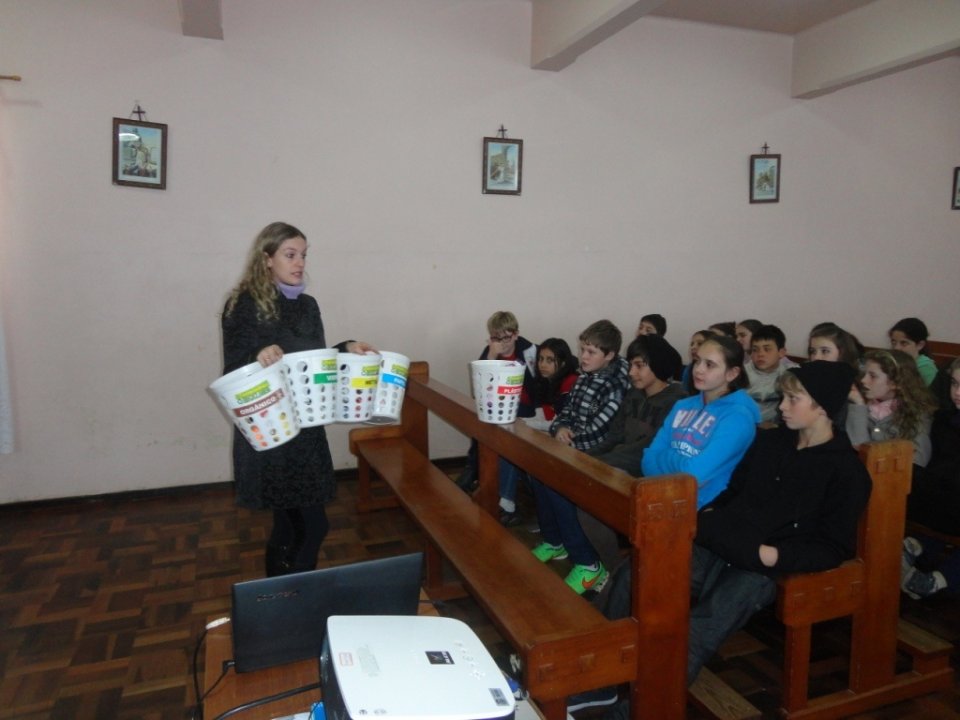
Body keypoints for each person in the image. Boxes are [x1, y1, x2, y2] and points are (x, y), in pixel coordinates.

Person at [586, 362, 872, 716]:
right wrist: (709, 518)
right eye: (783, 397)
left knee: (700, 627)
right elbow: (733, 491)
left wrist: (772, 555)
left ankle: (640, 711)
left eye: (793, 399)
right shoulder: (771, 442)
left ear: (823, 407)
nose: (782, 406)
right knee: (636, 573)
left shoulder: (846, 472)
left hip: (762, 567)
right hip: (723, 542)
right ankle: (601, 680)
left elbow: (833, 546)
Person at [221, 221, 375, 576]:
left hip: (305, 426)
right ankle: (295, 594)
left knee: (290, 526)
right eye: (290, 255)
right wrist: (258, 355)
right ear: (266, 259)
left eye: (303, 255)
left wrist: (346, 348)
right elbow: (234, 366)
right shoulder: (242, 304)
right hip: (272, 428)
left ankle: (283, 594)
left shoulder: (308, 305)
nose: (299, 263)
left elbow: (312, 361)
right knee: (311, 526)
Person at [530, 320, 630, 594]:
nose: (583, 357)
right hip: (573, 446)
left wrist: (568, 442)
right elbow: (566, 411)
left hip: (597, 453)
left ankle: (589, 563)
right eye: (583, 349)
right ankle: (555, 540)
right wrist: (559, 428)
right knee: (537, 471)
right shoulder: (584, 376)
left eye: (591, 352)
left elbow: (601, 430)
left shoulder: (616, 385)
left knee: (559, 484)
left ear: (609, 355)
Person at [577, 334, 687, 572]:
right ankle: (591, 558)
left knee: (589, 497)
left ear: (658, 365)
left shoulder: (677, 401)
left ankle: (612, 569)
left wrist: (599, 463)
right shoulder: (634, 394)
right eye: (631, 365)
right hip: (616, 464)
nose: (631, 372)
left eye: (640, 365)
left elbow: (646, 449)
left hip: (644, 473)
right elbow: (614, 437)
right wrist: (583, 457)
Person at [642, 334, 760, 509]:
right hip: (660, 495)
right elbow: (647, 461)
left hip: (699, 508)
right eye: (697, 361)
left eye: (709, 365)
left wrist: (665, 458)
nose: (698, 370)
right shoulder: (682, 406)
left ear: (732, 373)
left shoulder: (738, 418)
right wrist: (680, 464)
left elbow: (693, 475)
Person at [456, 311, 538, 492]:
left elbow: (540, 385)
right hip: (498, 404)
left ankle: (498, 484)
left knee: (496, 427)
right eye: (496, 338)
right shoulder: (490, 351)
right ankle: (474, 469)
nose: (502, 344)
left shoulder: (530, 351)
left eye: (506, 338)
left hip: (523, 407)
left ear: (516, 334)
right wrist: (492, 357)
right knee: (480, 422)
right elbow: (480, 388)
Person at [499, 338, 578, 526]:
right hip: (550, 434)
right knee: (511, 443)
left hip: (568, 438)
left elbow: (559, 422)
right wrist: (526, 423)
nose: (543, 364)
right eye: (541, 359)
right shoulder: (543, 382)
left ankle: (508, 505)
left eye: (550, 360)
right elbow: (543, 416)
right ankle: (507, 503)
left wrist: (527, 424)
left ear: (563, 362)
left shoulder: (571, 382)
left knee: (521, 446)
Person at [901, 357, 960, 598]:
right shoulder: (944, 420)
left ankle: (939, 578)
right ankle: (917, 546)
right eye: (955, 383)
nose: (957, 392)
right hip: (939, 500)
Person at [845, 349, 937, 468]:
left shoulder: (917, 414)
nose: (863, 380)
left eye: (872, 376)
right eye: (865, 374)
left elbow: (917, 461)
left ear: (895, 383)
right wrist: (858, 405)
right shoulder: (859, 408)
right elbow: (857, 448)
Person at [745, 324, 794, 425]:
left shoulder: (790, 373)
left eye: (767, 349)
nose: (760, 354)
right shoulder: (743, 374)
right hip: (746, 425)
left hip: (776, 427)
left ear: (781, 352)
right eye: (755, 350)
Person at [889, 317, 938, 386]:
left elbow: (927, 396)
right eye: (894, 342)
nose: (897, 348)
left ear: (920, 345)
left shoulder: (926, 368)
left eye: (904, 343)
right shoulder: (892, 362)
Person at [680, 329, 715, 393]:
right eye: (692, 344)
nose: (693, 347)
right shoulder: (689, 369)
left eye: (700, 343)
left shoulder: (716, 369)